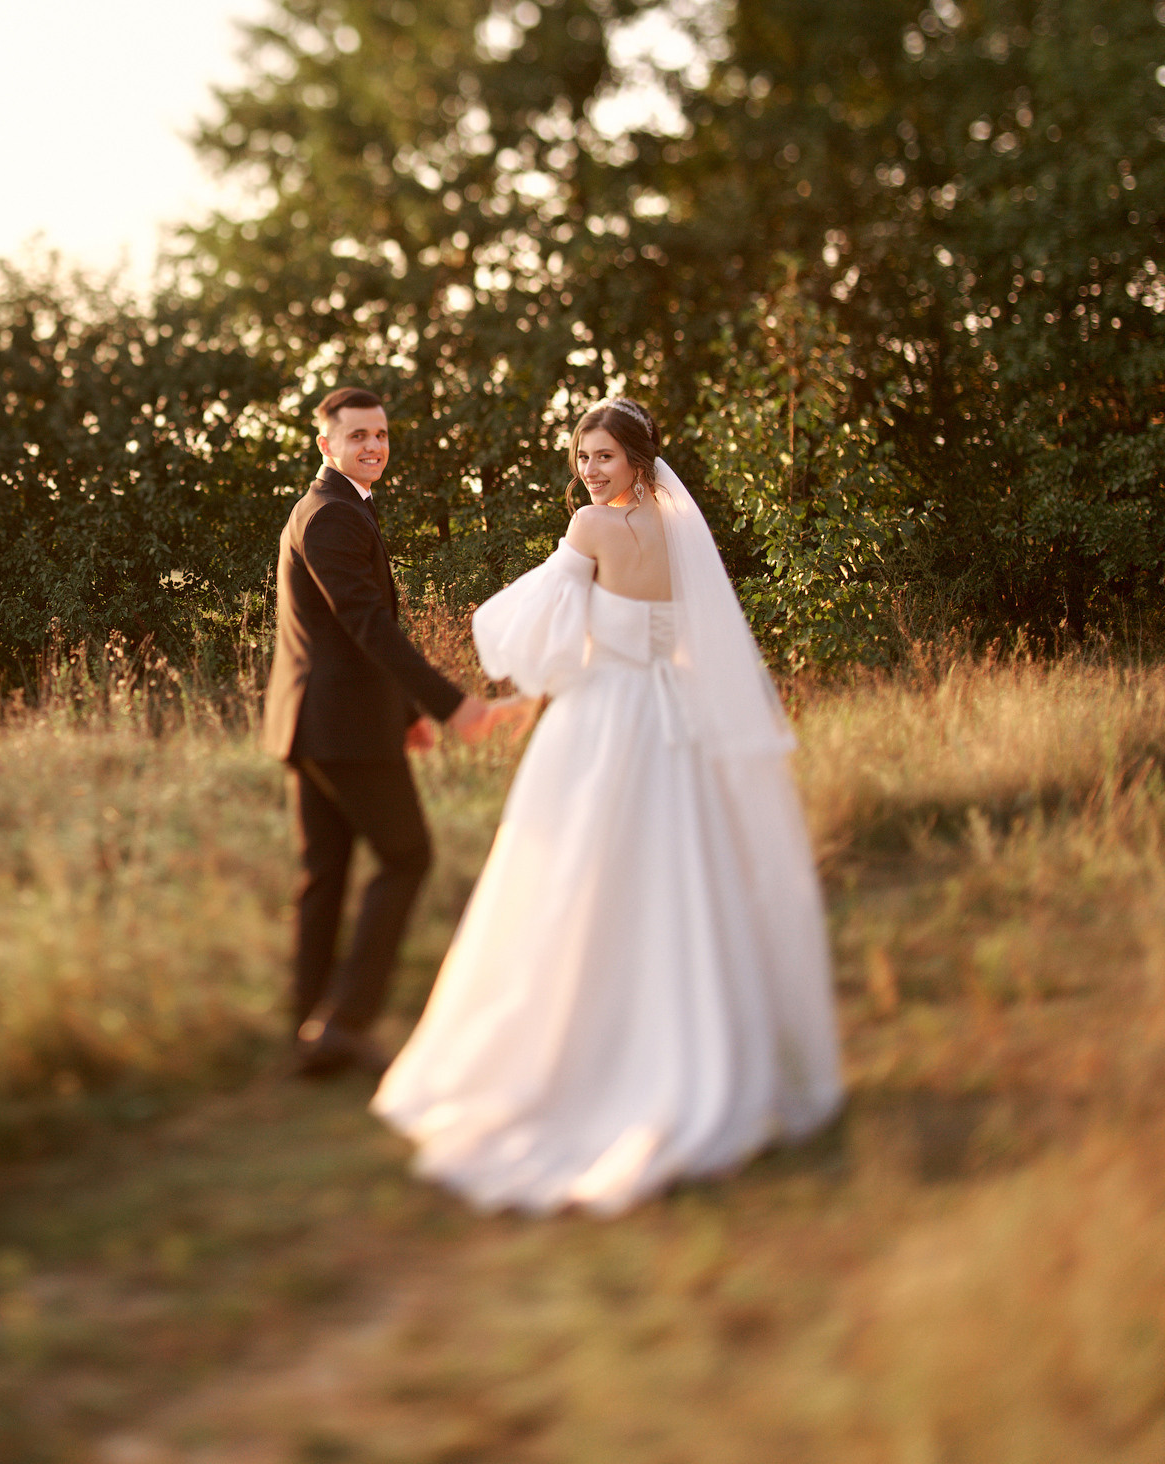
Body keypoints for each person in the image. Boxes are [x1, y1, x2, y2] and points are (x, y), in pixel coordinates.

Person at [371, 397, 844, 1214]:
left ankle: (580, 1055)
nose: (590, 473)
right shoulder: (678, 531)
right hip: (674, 714)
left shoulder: (590, 532)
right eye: (583, 458)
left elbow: (533, 632)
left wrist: (524, 666)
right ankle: (697, 1044)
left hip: (606, 716)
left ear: (635, 461)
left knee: (572, 879)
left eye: (604, 459)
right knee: (678, 878)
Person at [261, 387, 495, 1079]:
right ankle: (346, 1021)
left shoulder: (334, 508)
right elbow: (367, 626)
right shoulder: (333, 515)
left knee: (325, 877)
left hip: (321, 724)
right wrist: (451, 705)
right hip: (340, 728)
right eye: (357, 435)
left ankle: (312, 1034)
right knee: (406, 857)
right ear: (326, 445)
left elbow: (341, 635)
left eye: (382, 435)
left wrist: (406, 715)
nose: (373, 447)